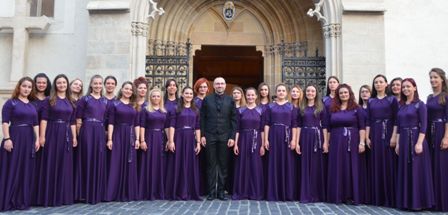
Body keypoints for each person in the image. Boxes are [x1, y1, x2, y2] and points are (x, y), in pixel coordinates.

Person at [36, 74, 77, 206]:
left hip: (66, 135)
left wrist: (74, 137)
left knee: (64, 163)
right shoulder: (49, 100)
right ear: (55, 85)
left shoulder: (71, 101)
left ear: (67, 85)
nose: (62, 85)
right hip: (52, 132)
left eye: (64, 82)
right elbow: (44, 119)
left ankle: (62, 196)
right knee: (51, 162)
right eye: (59, 83)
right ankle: (49, 196)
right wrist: (42, 136)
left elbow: (72, 121)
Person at [0, 77, 40, 211]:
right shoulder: (11, 103)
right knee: (12, 168)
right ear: (19, 87)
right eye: (24, 86)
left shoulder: (32, 105)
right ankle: (7, 200)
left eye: (29, 87)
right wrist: (7, 139)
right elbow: (5, 122)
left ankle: (21, 201)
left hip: (29, 139)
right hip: (15, 137)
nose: (27, 89)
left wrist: (38, 139)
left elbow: (35, 123)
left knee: (25, 169)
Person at [395, 78, 434, 210]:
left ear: (414, 88)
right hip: (404, 140)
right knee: (405, 170)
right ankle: (406, 202)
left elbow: (424, 125)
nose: (405, 89)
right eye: (403, 87)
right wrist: (398, 144)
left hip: (416, 138)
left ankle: (419, 203)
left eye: (408, 86)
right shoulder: (401, 106)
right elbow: (399, 126)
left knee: (417, 170)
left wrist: (419, 143)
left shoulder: (420, 104)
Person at [326, 84, 366, 204]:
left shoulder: (356, 108)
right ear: (338, 95)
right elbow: (327, 127)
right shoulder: (332, 108)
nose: (343, 95)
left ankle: (351, 195)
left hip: (352, 140)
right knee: (337, 165)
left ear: (350, 94)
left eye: (345, 92)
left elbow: (362, 127)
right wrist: (326, 143)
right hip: (336, 140)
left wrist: (362, 142)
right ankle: (338, 195)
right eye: (341, 93)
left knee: (350, 166)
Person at [200, 77, 237, 200]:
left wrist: (232, 137)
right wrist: (202, 135)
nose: (220, 85)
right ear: (214, 86)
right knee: (210, 164)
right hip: (210, 135)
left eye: (222, 83)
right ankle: (211, 192)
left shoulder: (230, 100)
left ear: (225, 86)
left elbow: (233, 120)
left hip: (225, 136)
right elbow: (202, 119)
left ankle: (221, 192)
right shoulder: (207, 99)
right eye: (217, 84)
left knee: (223, 165)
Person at [74, 75, 108, 204]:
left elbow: (105, 119)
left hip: (99, 130)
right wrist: (79, 135)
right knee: (87, 158)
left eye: (100, 83)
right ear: (91, 85)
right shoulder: (85, 99)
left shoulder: (105, 101)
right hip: (87, 130)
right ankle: (85, 193)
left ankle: (96, 192)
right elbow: (78, 119)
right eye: (95, 83)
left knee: (98, 159)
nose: (98, 85)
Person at [365, 75, 398, 207]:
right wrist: (367, 137)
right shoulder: (371, 101)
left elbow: (397, 119)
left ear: (386, 84)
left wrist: (394, 136)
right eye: (376, 82)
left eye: (380, 82)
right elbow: (368, 120)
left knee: (389, 163)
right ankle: (378, 198)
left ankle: (390, 197)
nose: (378, 84)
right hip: (375, 133)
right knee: (376, 163)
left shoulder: (392, 99)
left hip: (389, 132)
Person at [105, 82, 140, 201]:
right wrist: (110, 139)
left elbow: (136, 124)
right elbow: (111, 122)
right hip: (118, 134)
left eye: (130, 89)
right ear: (122, 89)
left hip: (130, 135)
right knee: (116, 162)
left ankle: (128, 192)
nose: (128, 91)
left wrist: (138, 139)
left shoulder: (134, 105)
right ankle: (113, 193)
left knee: (129, 163)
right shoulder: (114, 104)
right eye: (126, 89)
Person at [166, 87, 202, 200]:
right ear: (182, 94)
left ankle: (189, 191)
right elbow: (172, 125)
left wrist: (198, 143)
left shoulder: (196, 109)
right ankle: (177, 191)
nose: (189, 95)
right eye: (186, 93)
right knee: (178, 163)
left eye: (191, 94)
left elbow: (197, 127)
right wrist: (171, 141)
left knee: (189, 164)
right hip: (179, 137)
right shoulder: (176, 108)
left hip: (191, 138)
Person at [264, 84, 298, 201]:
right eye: (279, 90)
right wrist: (266, 139)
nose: (281, 92)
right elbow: (267, 124)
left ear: (286, 93)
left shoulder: (291, 107)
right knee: (274, 162)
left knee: (287, 162)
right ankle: (274, 192)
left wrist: (294, 140)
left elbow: (294, 124)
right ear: (276, 92)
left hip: (287, 137)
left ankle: (287, 193)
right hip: (273, 135)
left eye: (283, 90)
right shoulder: (270, 107)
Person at [232, 87, 265, 200]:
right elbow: (237, 129)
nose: (250, 97)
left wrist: (262, 145)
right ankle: (242, 191)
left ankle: (255, 192)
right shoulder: (240, 110)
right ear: (245, 96)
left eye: (252, 95)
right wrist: (236, 144)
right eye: (248, 95)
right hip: (243, 139)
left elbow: (262, 129)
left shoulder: (261, 110)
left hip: (256, 139)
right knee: (243, 164)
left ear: (256, 96)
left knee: (255, 165)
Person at [297, 84, 328, 203]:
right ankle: (305, 194)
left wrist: (325, 142)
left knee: (316, 165)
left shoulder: (321, 107)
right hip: (304, 136)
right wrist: (298, 142)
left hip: (317, 137)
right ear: (305, 93)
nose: (310, 93)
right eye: (308, 91)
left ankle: (316, 194)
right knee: (305, 164)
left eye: (312, 91)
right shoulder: (302, 107)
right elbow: (299, 126)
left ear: (316, 93)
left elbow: (325, 126)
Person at [138, 88, 169, 200]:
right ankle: (147, 191)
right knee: (148, 163)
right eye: (153, 96)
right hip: (149, 137)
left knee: (159, 164)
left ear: (161, 98)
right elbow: (142, 126)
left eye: (158, 96)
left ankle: (158, 191)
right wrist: (142, 140)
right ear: (150, 97)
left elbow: (166, 127)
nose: (156, 98)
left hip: (160, 138)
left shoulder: (164, 111)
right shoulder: (145, 110)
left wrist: (169, 140)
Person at [427, 68, 448, 211]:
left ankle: (444, 202)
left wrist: (446, 137)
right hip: (430, 132)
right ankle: (434, 201)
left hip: (442, 131)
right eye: (431, 77)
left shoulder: (445, 96)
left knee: (442, 167)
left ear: (442, 79)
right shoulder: (429, 97)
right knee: (433, 166)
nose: (433, 80)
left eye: (435, 77)